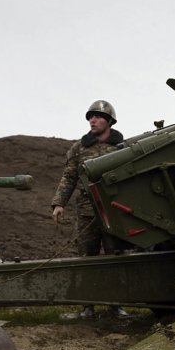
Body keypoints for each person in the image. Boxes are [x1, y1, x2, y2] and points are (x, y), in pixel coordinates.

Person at [51, 99, 130, 319]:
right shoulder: (79, 148)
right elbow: (69, 177)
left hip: (114, 210)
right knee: (87, 258)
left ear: (109, 121)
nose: (92, 120)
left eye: (97, 116)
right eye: (90, 117)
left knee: (116, 257)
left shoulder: (121, 147)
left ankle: (116, 305)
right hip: (87, 211)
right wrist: (59, 203)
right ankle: (88, 307)